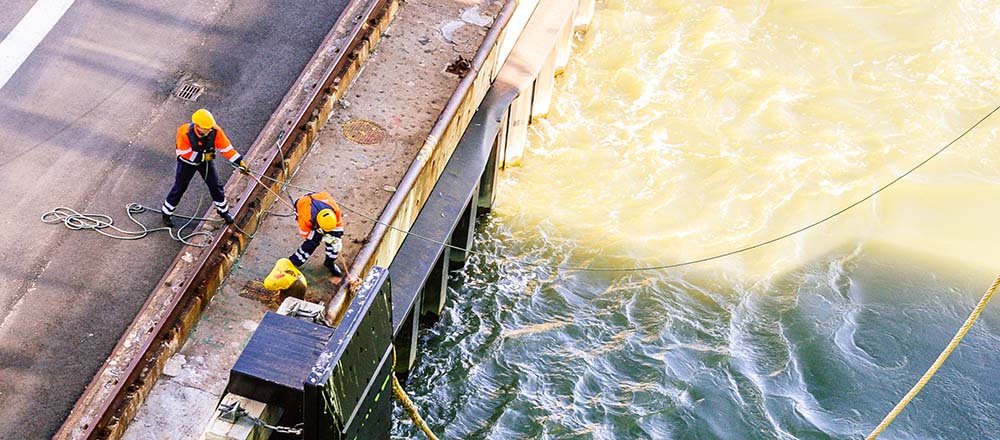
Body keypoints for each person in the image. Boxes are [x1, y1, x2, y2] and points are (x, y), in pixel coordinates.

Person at [161, 108, 249, 226]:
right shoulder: (184, 132)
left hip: (205, 162)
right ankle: (166, 213)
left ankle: (224, 212)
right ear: (198, 126)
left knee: (215, 186)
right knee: (179, 188)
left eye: (210, 128)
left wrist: (239, 162)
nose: (209, 130)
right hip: (187, 163)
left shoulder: (215, 131)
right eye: (206, 128)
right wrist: (203, 157)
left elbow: (226, 148)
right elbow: (184, 153)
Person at [289, 191, 347, 279]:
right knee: (312, 243)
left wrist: (337, 238)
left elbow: (338, 226)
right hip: (304, 203)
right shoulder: (306, 217)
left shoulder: (334, 210)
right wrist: (322, 237)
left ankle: (329, 262)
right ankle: (294, 262)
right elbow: (306, 234)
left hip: (318, 199)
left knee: (334, 242)